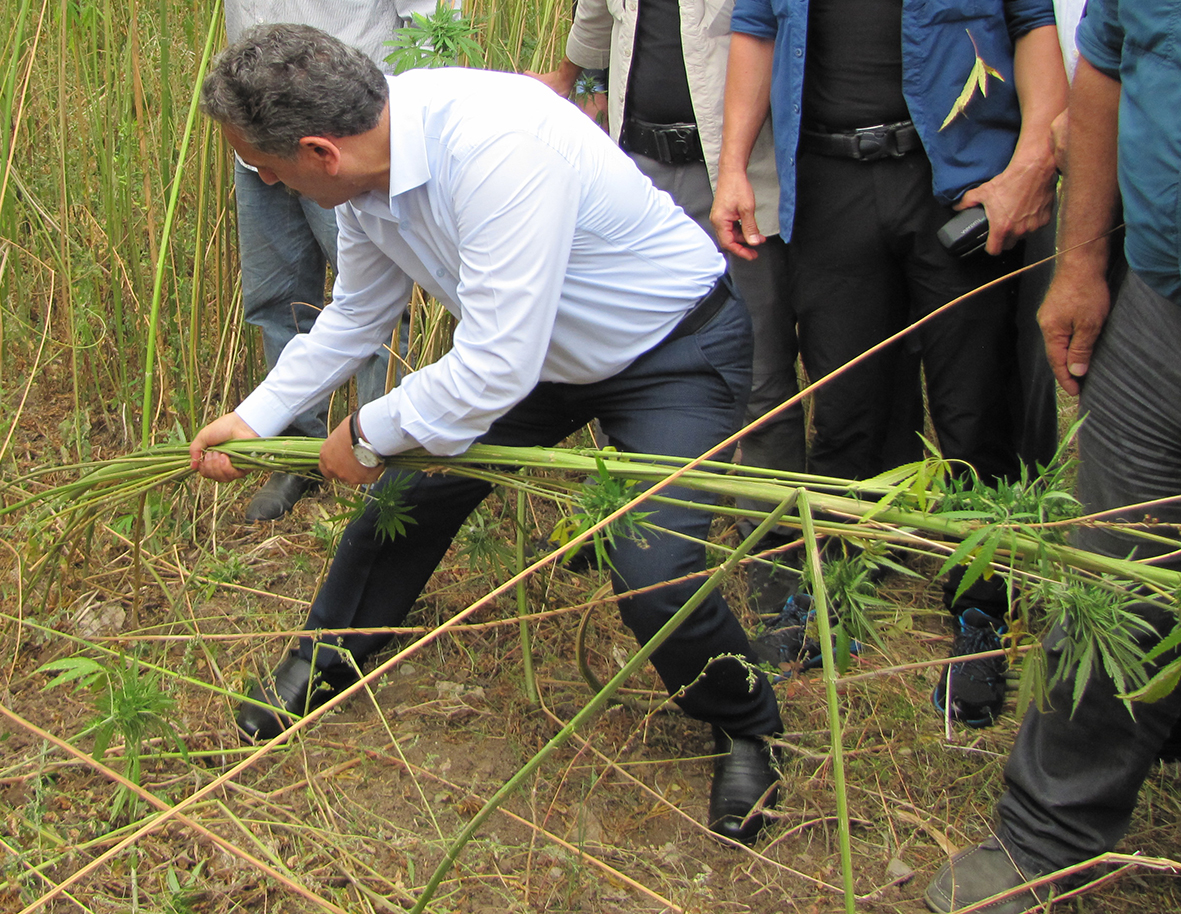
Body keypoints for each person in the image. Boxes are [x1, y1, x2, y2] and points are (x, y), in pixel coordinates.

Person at [191, 24, 784, 845]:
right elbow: (359, 313)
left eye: (262, 167)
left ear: (319, 152)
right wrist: (255, 417)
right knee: (411, 496)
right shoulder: (367, 174)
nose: (261, 180)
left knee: (653, 571)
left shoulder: (496, 147)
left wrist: (365, 433)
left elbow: (496, 362)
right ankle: (326, 659)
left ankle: (745, 725)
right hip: (540, 357)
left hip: (670, 348)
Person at [712, 0, 1067, 725]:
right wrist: (732, 168)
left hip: (958, 183)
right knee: (845, 404)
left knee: (973, 411)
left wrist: (1032, 159)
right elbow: (754, 27)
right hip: (829, 180)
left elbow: (1032, 23)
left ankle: (980, 615)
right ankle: (837, 585)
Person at [923, 1, 1181, 910]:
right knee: (1111, 570)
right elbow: (1102, 70)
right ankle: (1046, 837)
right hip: (1160, 303)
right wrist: (1079, 264)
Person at [528, 0, 808, 609]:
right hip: (637, 168)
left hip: (733, 172)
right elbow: (598, 19)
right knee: (625, 356)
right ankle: (632, 528)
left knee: (758, 369)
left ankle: (774, 552)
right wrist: (566, 79)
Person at [226, 0, 437, 522]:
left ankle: (383, 465)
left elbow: (429, 19)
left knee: (378, 308)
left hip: (347, 141)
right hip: (260, 145)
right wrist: (255, 417)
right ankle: (295, 451)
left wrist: (397, 141)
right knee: (277, 301)